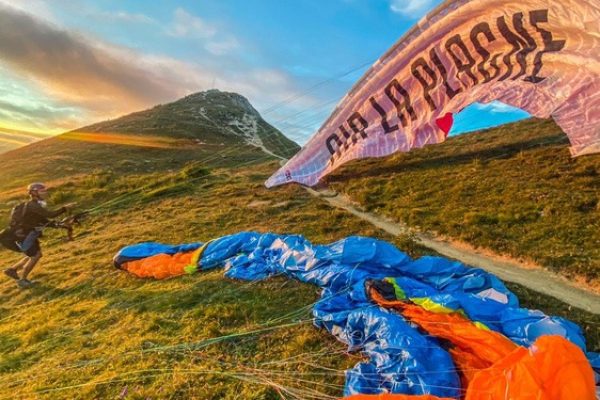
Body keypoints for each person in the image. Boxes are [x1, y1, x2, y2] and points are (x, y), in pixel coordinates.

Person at [0, 183, 75, 288]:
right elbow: (50, 215)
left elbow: (45, 222)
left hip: (27, 235)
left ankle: (12, 270)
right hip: (22, 236)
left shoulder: (36, 205)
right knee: (35, 255)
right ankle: (23, 281)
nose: (45, 193)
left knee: (32, 253)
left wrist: (62, 225)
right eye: (42, 191)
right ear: (34, 193)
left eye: (45, 191)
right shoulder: (32, 205)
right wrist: (64, 208)